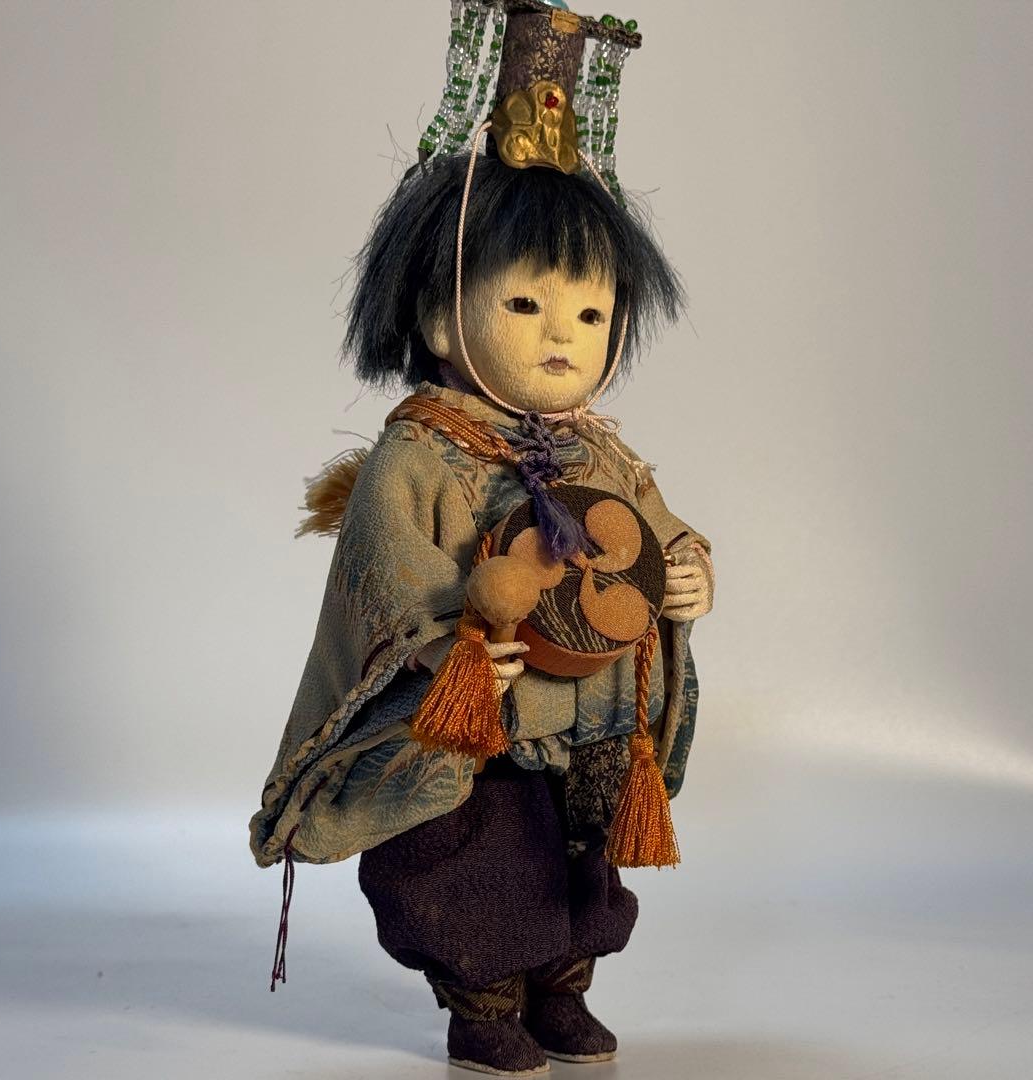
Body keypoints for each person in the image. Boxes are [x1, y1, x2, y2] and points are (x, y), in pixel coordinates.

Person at [249, 4, 714, 1075]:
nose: (563, 336)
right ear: (439, 315)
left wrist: (687, 574)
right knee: (479, 862)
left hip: (592, 717)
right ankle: (484, 1001)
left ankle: (562, 987)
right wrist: (454, 638)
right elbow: (385, 575)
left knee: (582, 858)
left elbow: (654, 531)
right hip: (488, 722)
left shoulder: (598, 450)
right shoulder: (419, 454)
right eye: (526, 303)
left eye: (590, 316)